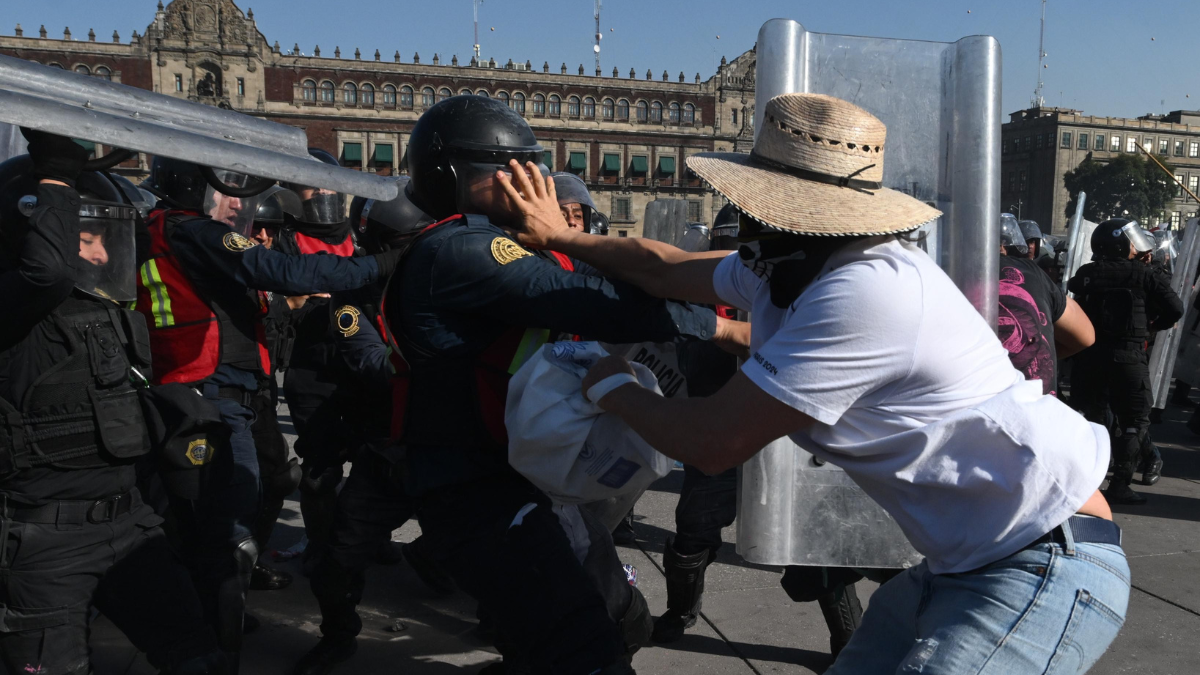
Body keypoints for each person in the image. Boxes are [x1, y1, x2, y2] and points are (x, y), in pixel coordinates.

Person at [504, 92, 1131, 674]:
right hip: (967, 562)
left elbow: (712, 441)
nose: (743, 218)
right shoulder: (790, 264)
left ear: (797, 216)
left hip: (1043, 557)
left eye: (755, 205)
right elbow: (664, 268)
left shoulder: (864, 289)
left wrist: (612, 385)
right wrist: (560, 236)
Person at [383, 95, 747, 675]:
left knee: (613, 618)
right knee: (583, 648)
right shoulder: (460, 248)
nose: (534, 184)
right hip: (477, 487)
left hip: (527, 471)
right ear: (454, 177)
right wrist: (722, 329)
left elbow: (614, 274)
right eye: (512, 172)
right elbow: (587, 298)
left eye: (534, 169)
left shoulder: (499, 241)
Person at [134, 156, 403, 670]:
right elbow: (285, 272)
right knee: (227, 529)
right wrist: (387, 262)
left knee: (236, 503)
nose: (240, 204)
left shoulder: (164, 229)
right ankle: (213, 646)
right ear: (193, 186)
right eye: (227, 189)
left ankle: (217, 614)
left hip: (217, 389)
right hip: (209, 392)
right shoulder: (192, 230)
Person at [0, 131, 227, 675]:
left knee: (198, 656)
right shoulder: (14, 307)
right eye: (85, 238)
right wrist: (56, 174)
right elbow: (48, 271)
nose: (101, 254)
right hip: (47, 543)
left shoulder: (105, 310)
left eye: (106, 238)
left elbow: (132, 255)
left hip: (129, 525)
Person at [272, 149, 366, 575]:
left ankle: (367, 539)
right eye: (313, 186)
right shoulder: (283, 240)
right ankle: (320, 545)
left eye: (329, 185)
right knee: (319, 472)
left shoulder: (360, 235)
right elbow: (276, 302)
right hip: (311, 369)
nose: (324, 193)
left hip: (360, 367)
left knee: (373, 466)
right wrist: (298, 302)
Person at [1068, 220, 1182, 505]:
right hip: (1129, 356)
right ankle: (1120, 484)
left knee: (1093, 418)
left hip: (1090, 357)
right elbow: (1175, 308)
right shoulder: (1143, 274)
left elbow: (1072, 299)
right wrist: (1153, 326)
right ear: (1120, 245)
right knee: (1134, 420)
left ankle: (1088, 483)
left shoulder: (1088, 273)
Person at [998, 214, 1095, 396]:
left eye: (1033, 242)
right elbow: (1085, 337)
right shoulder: (1035, 273)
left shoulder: (952, 275)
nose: (1030, 247)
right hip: (1037, 404)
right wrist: (1040, 353)